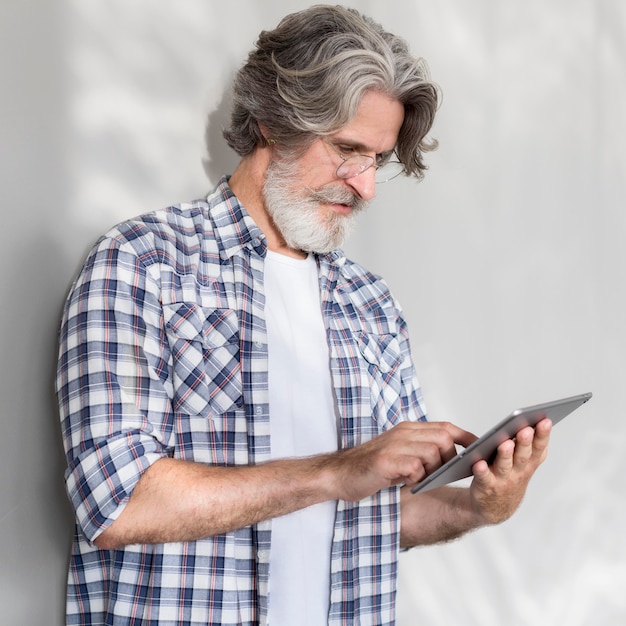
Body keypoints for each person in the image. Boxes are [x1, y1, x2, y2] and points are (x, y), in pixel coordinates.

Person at [55, 5, 552, 626]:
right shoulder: (144, 264)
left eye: (377, 159)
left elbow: (383, 512)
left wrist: (481, 506)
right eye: (347, 149)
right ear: (270, 122)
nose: (365, 186)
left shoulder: (370, 302)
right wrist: (338, 471)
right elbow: (117, 503)